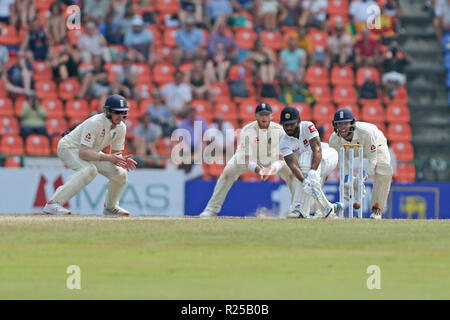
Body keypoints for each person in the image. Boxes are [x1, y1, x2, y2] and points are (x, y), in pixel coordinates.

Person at [42, 94, 137, 215]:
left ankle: (110, 208)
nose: (120, 116)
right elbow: (83, 153)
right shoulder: (95, 122)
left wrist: (120, 159)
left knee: (120, 174)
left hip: (91, 151)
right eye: (116, 112)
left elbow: (114, 155)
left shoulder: (121, 128)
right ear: (108, 111)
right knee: (89, 170)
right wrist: (109, 157)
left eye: (123, 112)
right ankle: (53, 204)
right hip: (69, 148)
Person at [199, 103, 297, 217]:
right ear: (256, 116)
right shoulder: (247, 130)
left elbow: (281, 159)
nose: (264, 118)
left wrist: (271, 169)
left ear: (271, 116)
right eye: (261, 115)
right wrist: (257, 169)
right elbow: (246, 159)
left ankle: (296, 209)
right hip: (247, 157)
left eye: (266, 115)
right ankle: (211, 209)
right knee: (227, 173)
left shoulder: (279, 130)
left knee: (293, 173)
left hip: (271, 157)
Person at [329, 108, 393, 220]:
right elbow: (342, 162)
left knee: (384, 170)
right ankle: (325, 207)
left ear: (352, 123)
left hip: (376, 145)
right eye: (339, 124)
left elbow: (373, 158)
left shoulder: (366, 133)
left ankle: (377, 209)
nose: (342, 127)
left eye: (345, 123)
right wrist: (349, 178)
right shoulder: (334, 140)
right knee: (337, 170)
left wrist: (363, 176)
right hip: (349, 148)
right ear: (335, 125)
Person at [279, 106, 343, 219]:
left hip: (328, 156)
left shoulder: (307, 126)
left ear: (298, 121)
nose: (288, 127)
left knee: (305, 157)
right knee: (304, 166)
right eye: (285, 125)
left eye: (291, 124)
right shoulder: (284, 142)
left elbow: (317, 149)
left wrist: (313, 172)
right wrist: (304, 181)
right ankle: (327, 208)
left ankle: (298, 208)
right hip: (309, 167)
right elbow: (293, 165)